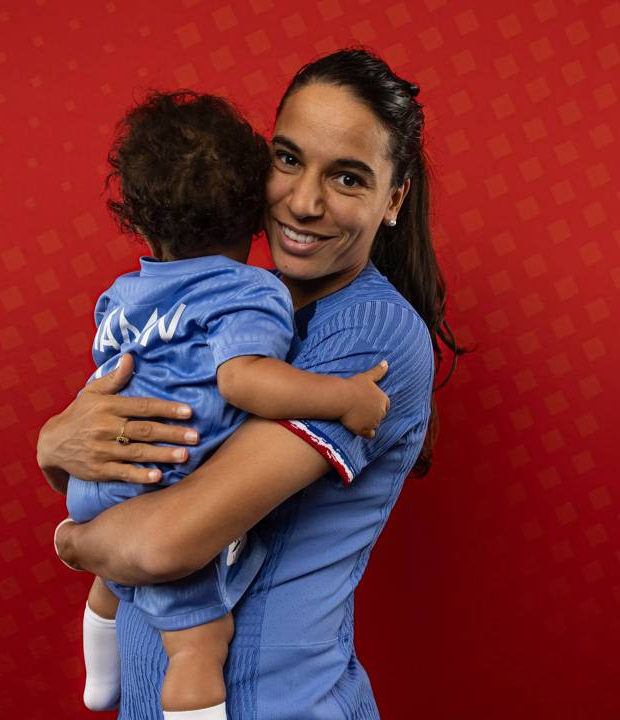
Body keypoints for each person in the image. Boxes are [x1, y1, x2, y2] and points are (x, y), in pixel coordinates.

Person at [38, 48, 464, 718]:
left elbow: (163, 543)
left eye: (348, 178)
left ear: (394, 198)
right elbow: (142, 467)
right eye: (289, 159)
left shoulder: (371, 332)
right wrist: (55, 446)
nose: (304, 201)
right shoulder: (238, 309)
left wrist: (72, 542)